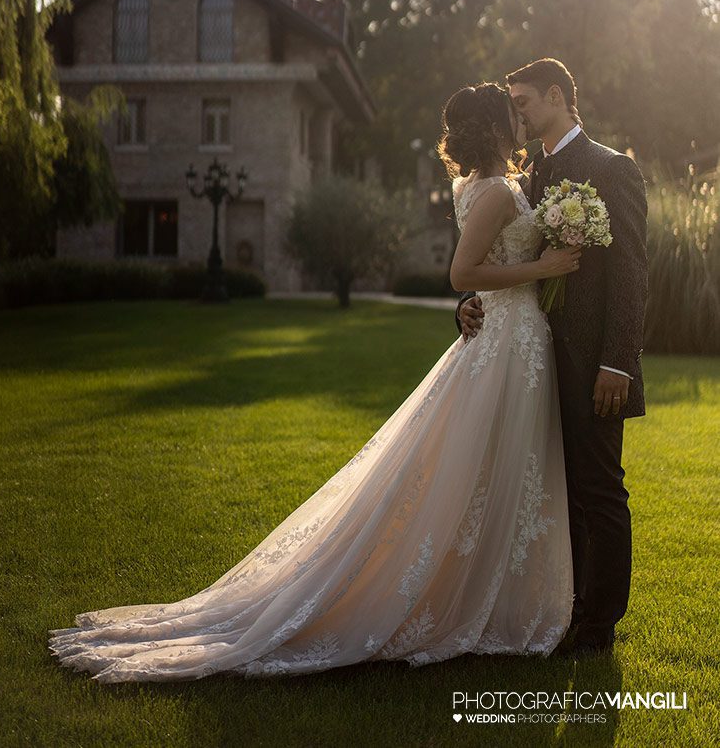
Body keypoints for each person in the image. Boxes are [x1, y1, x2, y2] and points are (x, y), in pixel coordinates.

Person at [48, 82, 578, 683]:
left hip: (514, 340)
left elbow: (478, 274)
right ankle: (459, 600)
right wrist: (547, 265)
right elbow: (463, 270)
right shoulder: (497, 192)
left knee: (498, 474)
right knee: (483, 473)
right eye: (511, 109)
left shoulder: (488, 186)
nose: (519, 115)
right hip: (507, 343)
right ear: (493, 125)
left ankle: (488, 589)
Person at [456, 58, 648, 656]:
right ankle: (564, 607)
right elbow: (495, 257)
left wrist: (618, 361)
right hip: (529, 359)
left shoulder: (612, 169)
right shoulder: (527, 175)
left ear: (559, 96)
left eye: (525, 101)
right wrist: (468, 302)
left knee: (598, 488)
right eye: (513, 104)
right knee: (555, 491)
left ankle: (597, 627)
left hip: (595, 365)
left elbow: (632, 274)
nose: (518, 113)